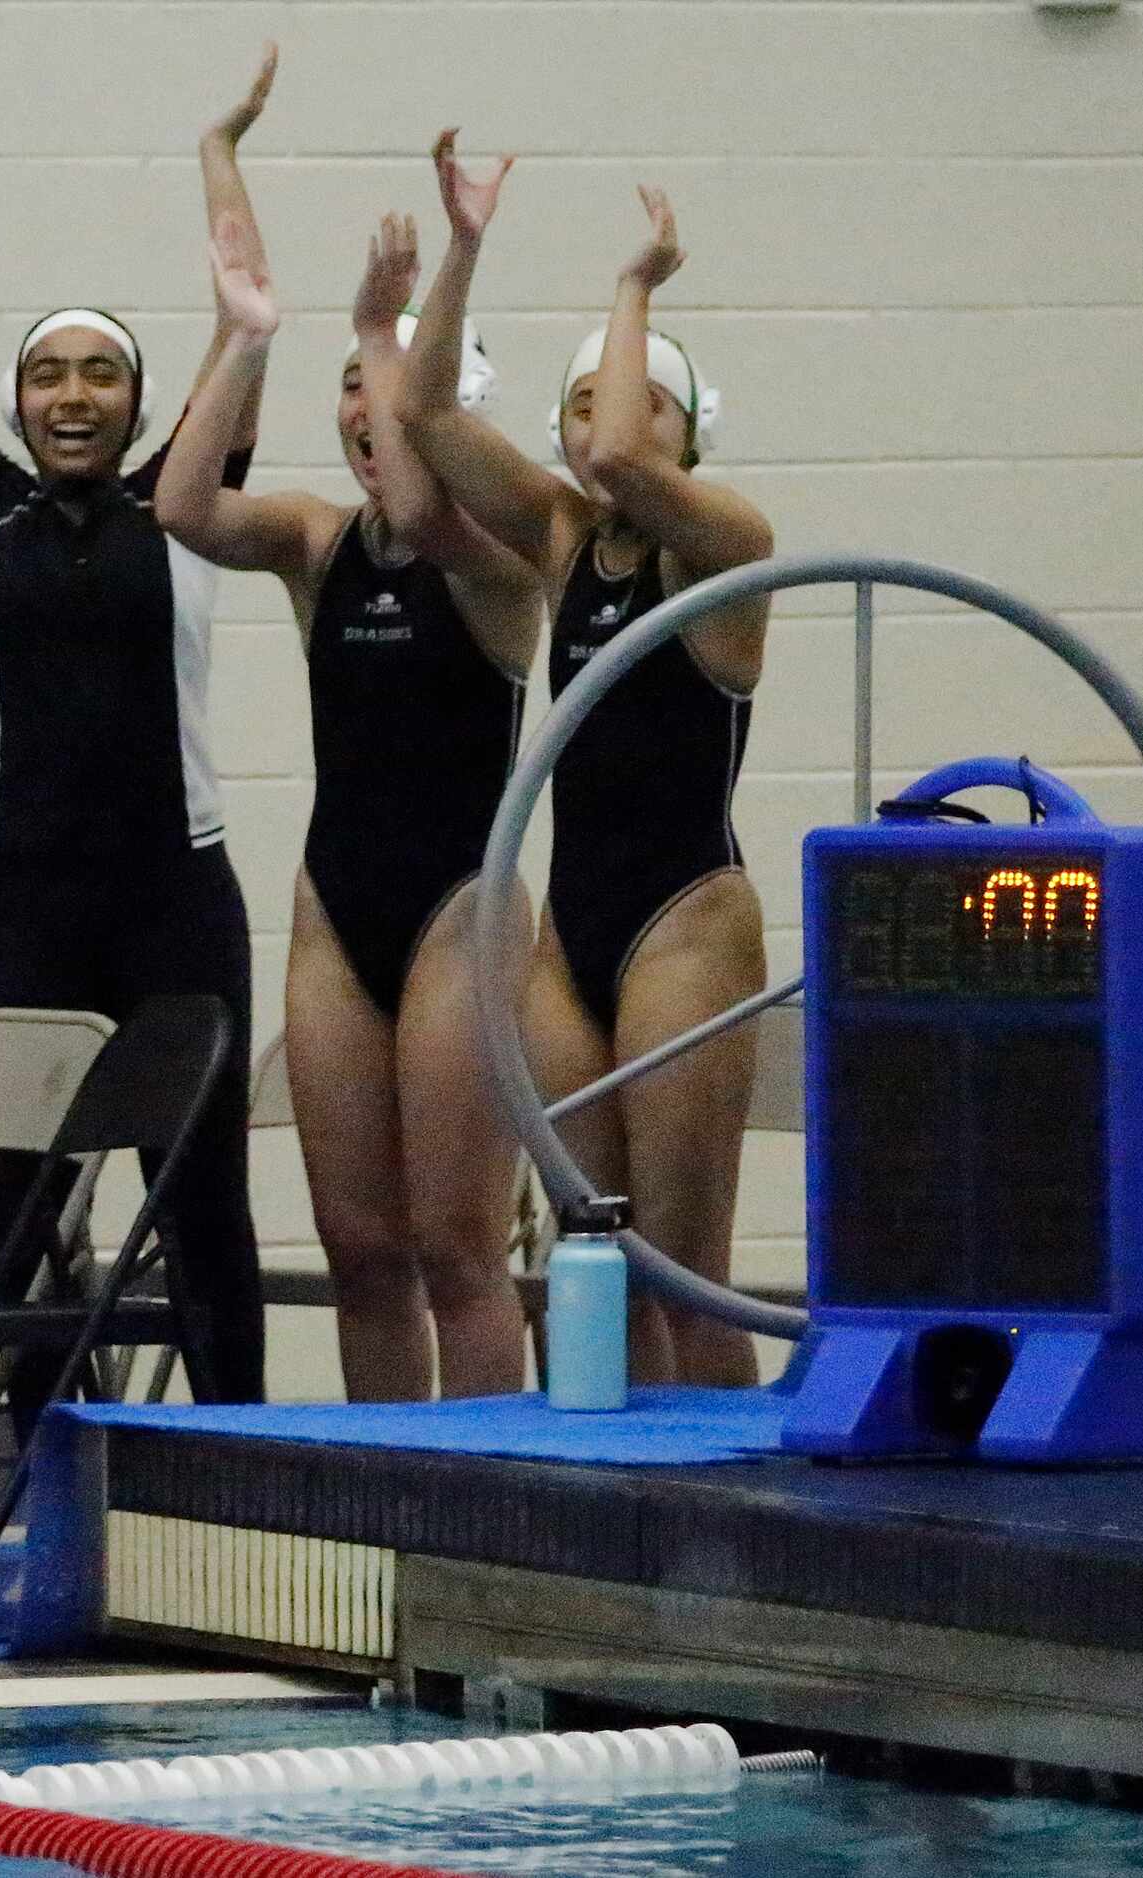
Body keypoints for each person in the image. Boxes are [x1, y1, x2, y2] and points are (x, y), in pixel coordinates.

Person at [0, 49, 284, 1409]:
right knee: (27, 1218)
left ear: (134, 400)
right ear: (16, 399)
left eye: (98, 376)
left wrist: (220, 150)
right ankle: (54, 1489)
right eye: (47, 374)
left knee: (204, 1206)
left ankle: (234, 1487)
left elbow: (248, 319)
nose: (71, 395)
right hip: (15, 902)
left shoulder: (183, 502)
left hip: (175, 900)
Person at [402, 140, 773, 1388]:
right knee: (596, 1256)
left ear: (690, 430)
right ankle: (616, 1543)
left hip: (686, 922)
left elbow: (622, 458)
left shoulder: (728, 549)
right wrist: (462, 251)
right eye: (576, 404)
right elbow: (425, 413)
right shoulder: (563, 541)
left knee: (684, 1260)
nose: (600, 430)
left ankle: (742, 1535)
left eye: (640, 402)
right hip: (577, 929)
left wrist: (634, 284)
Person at [157, 210, 542, 1400]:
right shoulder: (321, 544)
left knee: (458, 1249)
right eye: (347, 392)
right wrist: (247, 341)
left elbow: (430, 512)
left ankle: (488, 1518)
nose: (361, 413)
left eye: (383, 392)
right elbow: (182, 509)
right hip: (337, 907)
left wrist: (384, 324)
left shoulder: (502, 564)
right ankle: (391, 1503)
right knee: (361, 1253)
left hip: (458, 911)